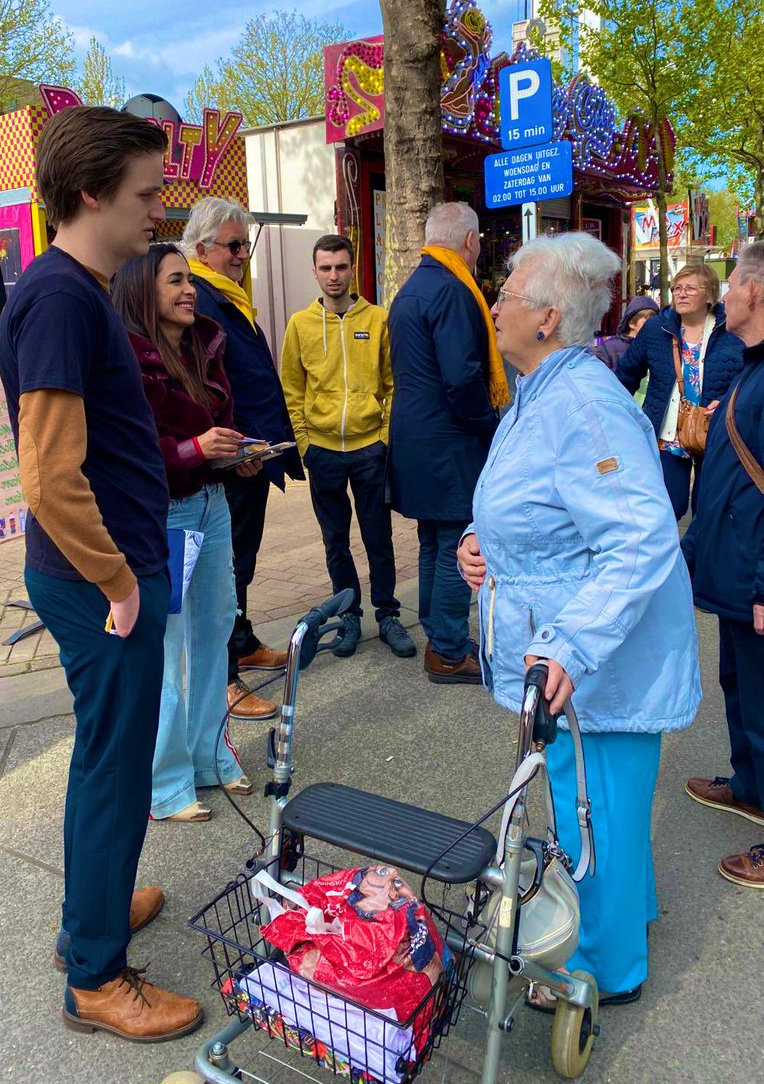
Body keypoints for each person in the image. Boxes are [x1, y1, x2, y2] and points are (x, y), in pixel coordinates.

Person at [0, 107, 202, 1042]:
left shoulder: (77, 289)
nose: (159, 212)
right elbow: (47, 476)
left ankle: (94, 911)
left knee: (106, 761)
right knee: (116, 769)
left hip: (110, 570)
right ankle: (95, 976)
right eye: (147, 194)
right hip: (99, 581)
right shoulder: (60, 298)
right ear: (90, 194)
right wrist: (121, 583)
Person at [458, 232, 700, 1005]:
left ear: (548, 318)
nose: (494, 303)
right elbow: (534, 503)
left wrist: (567, 644)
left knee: (594, 812)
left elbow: (639, 538)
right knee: (595, 805)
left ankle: (601, 968)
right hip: (574, 659)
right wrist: (479, 542)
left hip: (592, 661)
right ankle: (623, 919)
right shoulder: (542, 392)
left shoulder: (584, 406)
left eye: (509, 294)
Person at [114, 244, 259, 822]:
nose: (189, 290)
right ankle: (166, 783)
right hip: (165, 515)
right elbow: (128, 450)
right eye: (175, 281)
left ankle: (209, 757)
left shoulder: (204, 341)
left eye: (189, 281)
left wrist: (234, 453)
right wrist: (193, 449)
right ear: (142, 289)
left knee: (215, 629)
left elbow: (213, 428)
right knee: (169, 646)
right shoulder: (125, 352)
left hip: (212, 503)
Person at [185, 197, 303, 719]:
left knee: (242, 561)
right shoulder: (199, 297)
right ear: (202, 249)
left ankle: (242, 640)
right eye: (234, 246)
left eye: (244, 246)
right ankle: (223, 677)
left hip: (250, 452)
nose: (241, 256)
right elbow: (203, 384)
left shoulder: (224, 293)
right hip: (232, 456)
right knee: (224, 568)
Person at [388, 201, 507, 684]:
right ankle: (449, 650)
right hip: (451, 440)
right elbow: (462, 377)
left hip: (414, 437)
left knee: (433, 542)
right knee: (461, 542)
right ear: (470, 240)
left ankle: (440, 634)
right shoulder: (455, 290)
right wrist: (490, 425)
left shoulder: (410, 289)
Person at [280, 234, 415, 659]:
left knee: (379, 536)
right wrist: (305, 443)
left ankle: (388, 614)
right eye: (325, 268)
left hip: (369, 448)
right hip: (322, 450)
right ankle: (350, 614)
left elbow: (394, 384)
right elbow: (291, 388)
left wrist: (384, 437)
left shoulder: (377, 320)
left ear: (352, 268)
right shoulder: (300, 325)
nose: (333, 276)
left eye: (340, 267)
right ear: (315, 271)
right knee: (334, 539)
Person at [683, 243, 764, 888]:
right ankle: (749, 784)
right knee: (742, 693)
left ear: (755, 292)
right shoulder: (750, 368)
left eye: (733, 284)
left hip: (756, 578)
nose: (725, 295)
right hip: (736, 574)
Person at [616, 263, 744, 519]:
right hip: (667, 433)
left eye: (690, 288)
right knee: (668, 506)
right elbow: (627, 373)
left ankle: (699, 556)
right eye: (677, 288)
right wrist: (615, 414)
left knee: (707, 510)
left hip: (714, 433)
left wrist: (728, 401)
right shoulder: (656, 329)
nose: (681, 294)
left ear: (709, 295)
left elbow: (747, 375)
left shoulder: (731, 329)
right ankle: (667, 555)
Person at [591, 294, 659, 370]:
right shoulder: (609, 349)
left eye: (654, 323)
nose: (652, 326)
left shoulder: (653, 347)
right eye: (647, 323)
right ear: (632, 324)